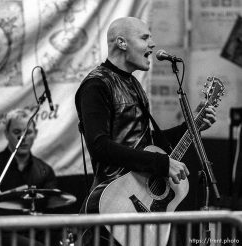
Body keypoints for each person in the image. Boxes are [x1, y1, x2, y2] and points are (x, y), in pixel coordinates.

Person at [75, 17, 216, 245]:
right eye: (144, 37)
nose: (152, 43)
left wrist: (192, 127)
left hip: (140, 195)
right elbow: (99, 146)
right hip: (113, 200)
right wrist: (161, 163)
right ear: (121, 42)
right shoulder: (96, 85)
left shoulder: (134, 85)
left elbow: (149, 141)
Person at [0, 108, 57, 245]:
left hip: (34, 234)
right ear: (6, 134)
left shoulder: (45, 170)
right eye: (17, 132)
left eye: (28, 132)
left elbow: (54, 205)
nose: (23, 138)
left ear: (36, 134)